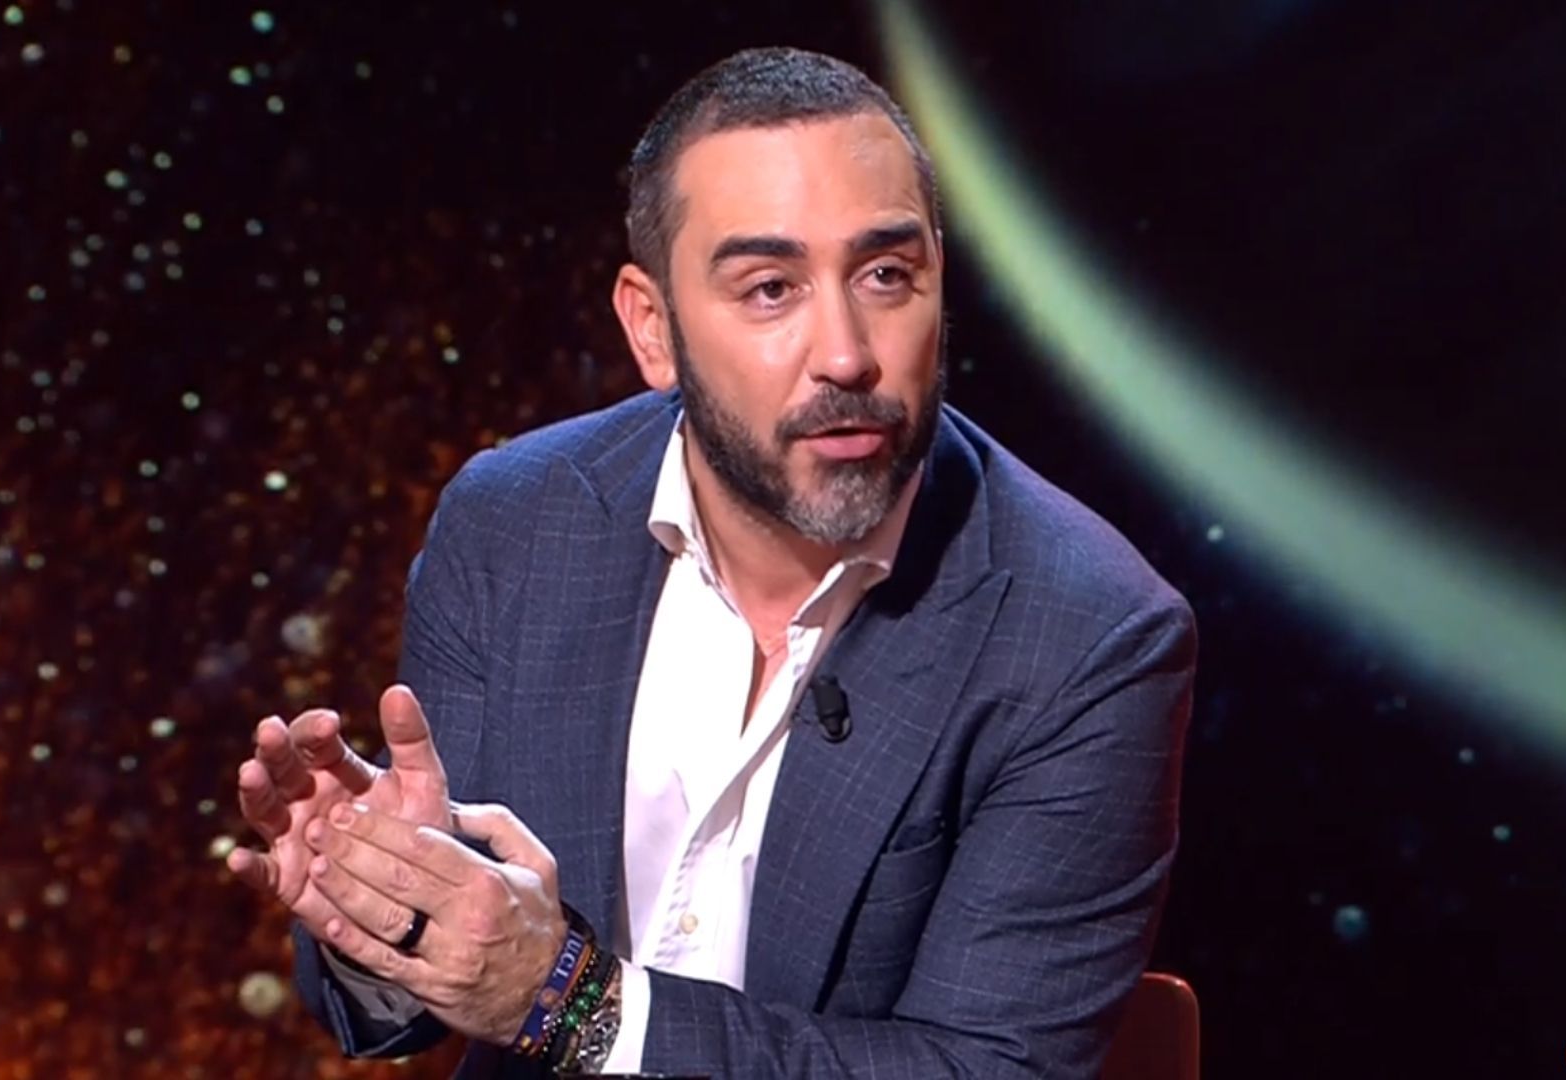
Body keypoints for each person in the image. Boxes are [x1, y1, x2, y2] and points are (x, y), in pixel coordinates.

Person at [228, 45, 1196, 1079]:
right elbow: (428, 994)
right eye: (771, 288)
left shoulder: (1088, 638)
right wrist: (390, 905)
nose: (847, 354)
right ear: (653, 329)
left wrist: (577, 1005)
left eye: (886, 275)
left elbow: (987, 1070)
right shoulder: (512, 526)